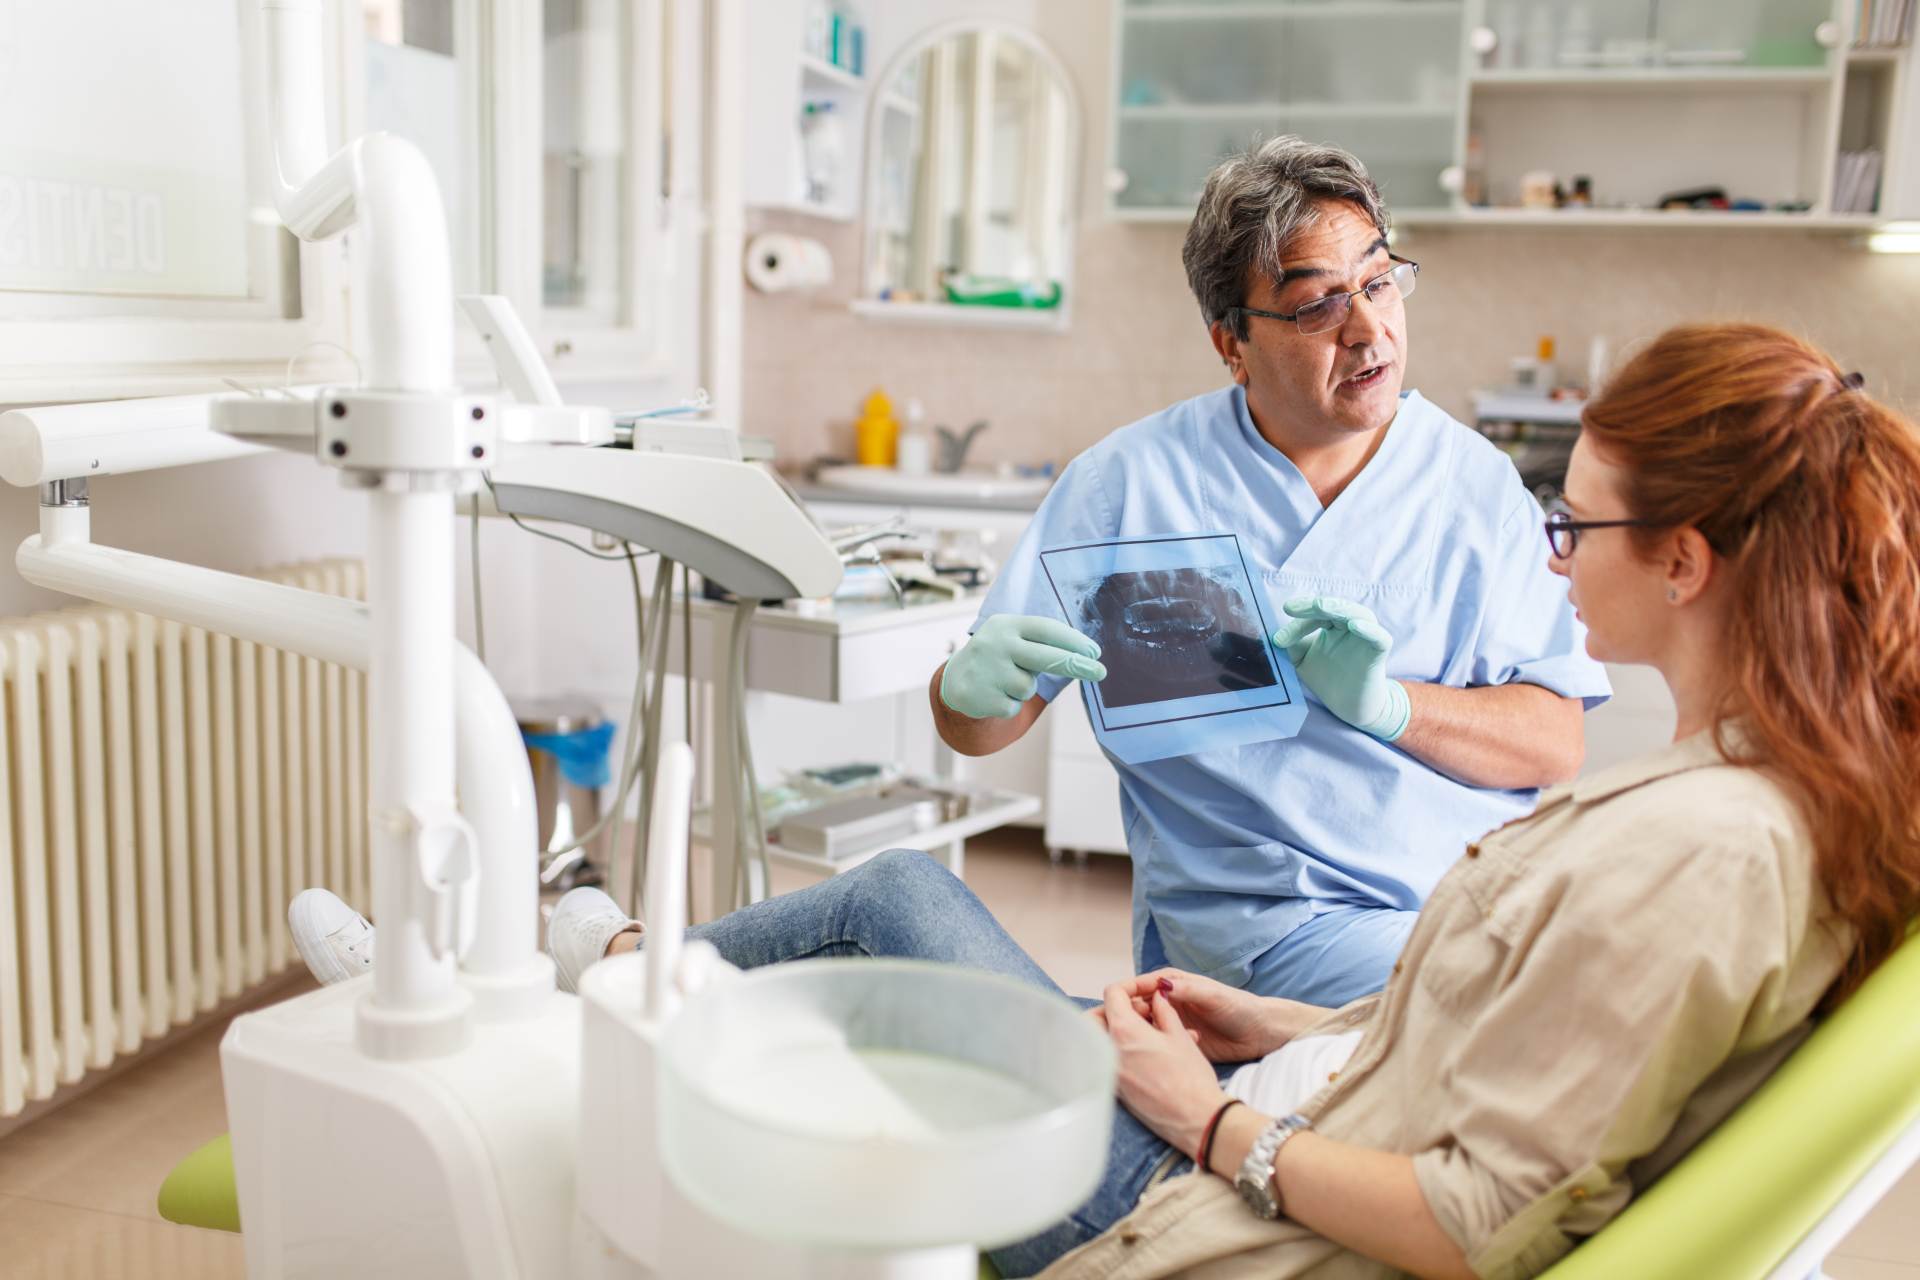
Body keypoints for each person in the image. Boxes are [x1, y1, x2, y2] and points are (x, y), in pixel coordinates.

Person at [294, 323, 1920, 1278]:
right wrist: (1256, 1036)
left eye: (1579, 529)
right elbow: (1494, 1057)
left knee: (887, 925)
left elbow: (1484, 1212)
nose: (1550, 556)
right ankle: (576, 970)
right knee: (908, 969)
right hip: (1292, 1075)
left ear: (1690, 562)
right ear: (1233, 333)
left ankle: (540, 981)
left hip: (1233, 1213)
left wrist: (1199, 1113)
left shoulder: (1707, 850)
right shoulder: (1747, 798)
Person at [930, 137, 1610, 1007]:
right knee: (1542, 1012)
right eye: (1319, 306)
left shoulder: (1471, 482)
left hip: (1473, 900)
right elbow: (981, 729)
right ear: (1232, 342)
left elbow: (1556, 742)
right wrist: (966, 689)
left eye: (1377, 280)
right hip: (1266, 929)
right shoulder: (1130, 486)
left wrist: (1390, 707)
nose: (1369, 328)